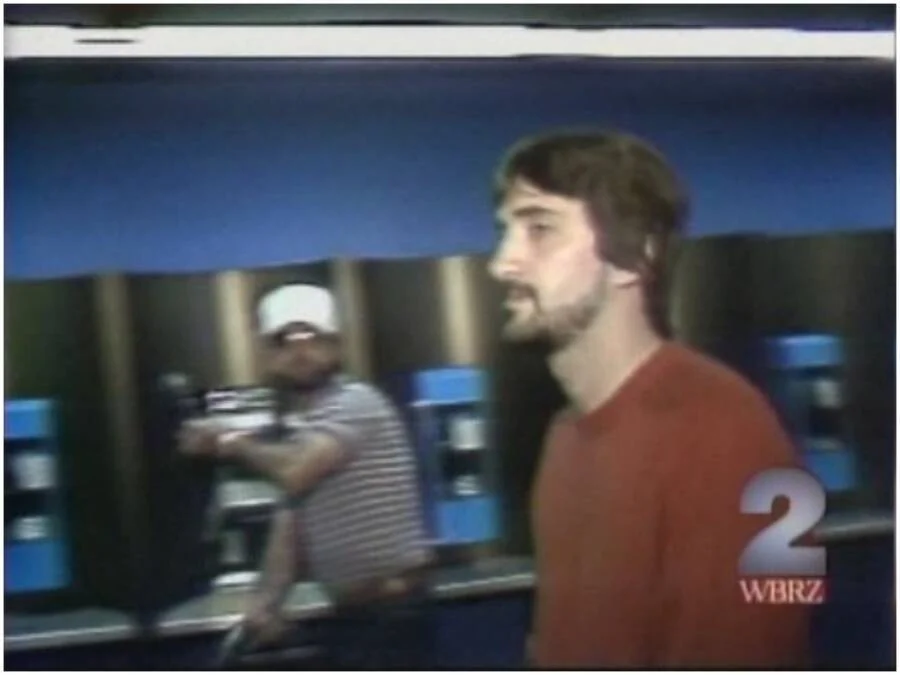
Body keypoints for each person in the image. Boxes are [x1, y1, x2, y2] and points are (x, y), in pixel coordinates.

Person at [488, 129, 810, 668]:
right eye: (506, 232)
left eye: (539, 229)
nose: (502, 263)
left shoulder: (729, 435)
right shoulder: (565, 435)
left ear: (636, 255)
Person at [178, 283, 434, 669]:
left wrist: (227, 442)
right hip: (356, 616)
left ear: (337, 347)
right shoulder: (305, 428)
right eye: (284, 341)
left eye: (313, 338)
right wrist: (265, 605)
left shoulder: (355, 402)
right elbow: (290, 525)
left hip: (392, 612)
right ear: (267, 355)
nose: (300, 351)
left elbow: (296, 472)